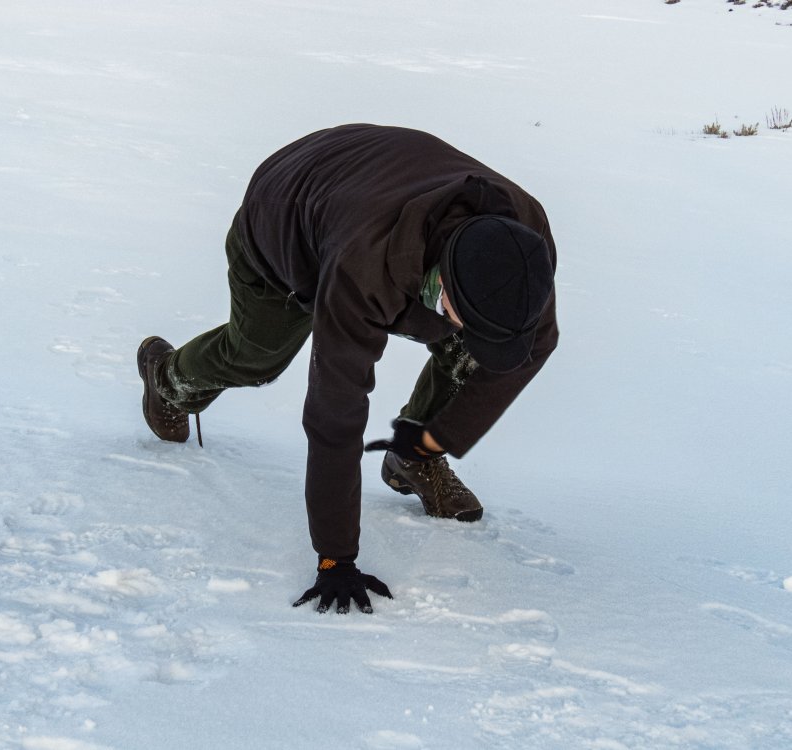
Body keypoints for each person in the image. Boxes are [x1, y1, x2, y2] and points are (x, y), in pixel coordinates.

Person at [137, 124, 558, 615]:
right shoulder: (364, 266)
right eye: (463, 315)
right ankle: (168, 380)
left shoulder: (523, 245)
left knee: (477, 351)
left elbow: (534, 343)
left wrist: (434, 437)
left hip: (371, 184)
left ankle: (414, 457)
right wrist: (336, 557)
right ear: (445, 286)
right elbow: (335, 413)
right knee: (257, 354)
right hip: (282, 217)